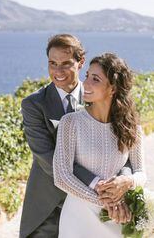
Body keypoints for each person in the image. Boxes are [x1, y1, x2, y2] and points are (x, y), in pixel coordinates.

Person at [19, 35, 133, 238]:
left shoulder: (99, 95)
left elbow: (122, 149)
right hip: (49, 209)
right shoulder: (33, 105)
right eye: (52, 64)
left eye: (65, 64)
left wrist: (122, 182)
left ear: (80, 63)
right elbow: (48, 159)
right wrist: (98, 186)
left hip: (96, 209)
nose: (57, 71)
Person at [53, 53, 147, 237]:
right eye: (87, 76)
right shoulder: (70, 122)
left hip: (116, 218)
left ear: (112, 88)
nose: (85, 84)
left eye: (95, 79)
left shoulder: (131, 127)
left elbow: (141, 173)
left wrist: (128, 182)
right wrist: (106, 202)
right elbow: (61, 176)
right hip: (79, 218)